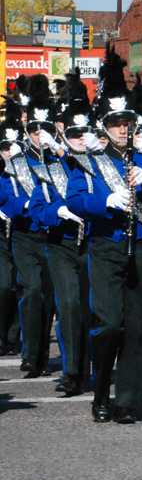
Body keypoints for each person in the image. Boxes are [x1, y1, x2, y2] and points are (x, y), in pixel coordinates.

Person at [67, 45, 142, 424]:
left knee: (137, 328)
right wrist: (107, 200)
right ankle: (102, 388)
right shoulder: (86, 163)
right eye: (116, 122)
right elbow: (75, 199)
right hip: (106, 247)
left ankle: (127, 400)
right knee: (108, 324)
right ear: (104, 126)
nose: (123, 128)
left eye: (128, 121)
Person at [28, 71, 91, 396]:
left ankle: (90, 367)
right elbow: (37, 209)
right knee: (68, 305)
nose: (81, 139)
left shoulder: (100, 163)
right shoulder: (49, 166)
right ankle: (71, 371)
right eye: (75, 133)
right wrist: (58, 211)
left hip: (95, 244)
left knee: (92, 309)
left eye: (86, 132)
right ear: (64, 133)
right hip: (62, 245)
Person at [1, 76, 56, 378]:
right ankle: (29, 353)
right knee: (32, 290)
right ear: (28, 131)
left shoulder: (61, 161)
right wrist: (24, 205)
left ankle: (42, 355)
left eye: (44, 130)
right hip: (25, 234)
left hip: (53, 235)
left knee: (48, 295)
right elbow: (5, 199)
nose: (39, 135)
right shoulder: (17, 163)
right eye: (35, 130)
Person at [0, 106, 23, 356]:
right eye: (5, 147)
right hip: (0, 233)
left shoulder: (23, 169)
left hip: (21, 232)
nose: (9, 153)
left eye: (12, 147)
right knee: (4, 285)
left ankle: (14, 337)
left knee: (22, 284)